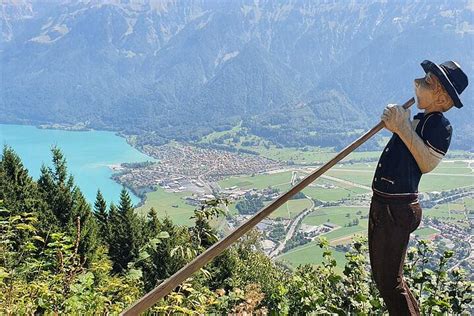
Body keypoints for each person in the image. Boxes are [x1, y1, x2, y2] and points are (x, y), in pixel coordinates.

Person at [368, 60, 468, 315]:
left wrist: (401, 126)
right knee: (385, 280)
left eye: (427, 81)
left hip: (397, 207)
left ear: (441, 96)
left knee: (390, 281)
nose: (417, 83)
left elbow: (426, 162)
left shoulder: (440, 126)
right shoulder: (421, 120)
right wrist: (399, 124)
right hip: (384, 203)